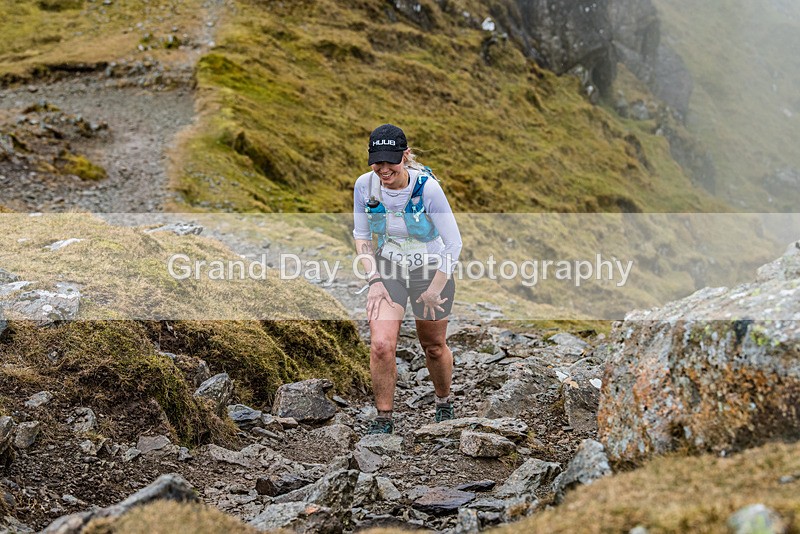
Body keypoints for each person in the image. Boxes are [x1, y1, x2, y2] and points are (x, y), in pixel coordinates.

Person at [353, 123, 463, 434]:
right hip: (389, 266)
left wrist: (434, 290)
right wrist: (374, 280)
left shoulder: (428, 188)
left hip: (430, 268)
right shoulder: (365, 186)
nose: (383, 169)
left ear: (406, 156)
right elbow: (361, 237)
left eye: (390, 161)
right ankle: (383, 419)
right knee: (381, 345)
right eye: (377, 161)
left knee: (433, 345)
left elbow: (454, 244)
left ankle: (443, 401)